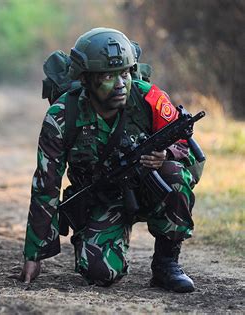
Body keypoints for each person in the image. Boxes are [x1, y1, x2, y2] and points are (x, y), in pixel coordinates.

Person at [21, 28, 201, 293]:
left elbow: (185, 146)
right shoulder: (63, 115)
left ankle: (166, 264)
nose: (120, 84)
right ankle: (90, 240)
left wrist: (166, 154)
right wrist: (33, 254)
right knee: (101, 274)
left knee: (174, 174)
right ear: (86, 79)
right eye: (107, 76)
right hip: (103, 199)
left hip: (148, 187)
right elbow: (46, 184)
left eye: (125, 73)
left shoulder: (149, 98)